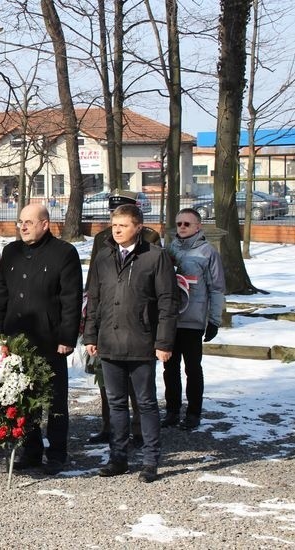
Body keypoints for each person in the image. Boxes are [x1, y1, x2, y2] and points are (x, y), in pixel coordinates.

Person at [84, 203, 178, 483]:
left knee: (146, 403)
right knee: (115, 403)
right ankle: (118, 457)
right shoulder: (103, 257)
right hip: (109, 342)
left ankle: (150, 460)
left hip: (142, 342)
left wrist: (163, 342)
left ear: (138, 227)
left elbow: (167, 302)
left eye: (123, 226)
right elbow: (94, 298)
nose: (117, 230)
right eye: (114, 226)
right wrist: (91, 335)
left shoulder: (155, 257)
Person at [0, 204, 83, 475]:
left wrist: (67, 337)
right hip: (16, 339)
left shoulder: (64, 252)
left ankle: (56, 452)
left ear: (45, 224)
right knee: (22, 398)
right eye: (20, 222)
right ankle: (31, 450)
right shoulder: (11, 251)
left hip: (50, 339)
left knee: (54, 400)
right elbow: (2, 294)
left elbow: (71, 299)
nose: (23, 227)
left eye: (29, 222)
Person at [85, 190, 162, 447]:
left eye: (122, 214)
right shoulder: (102, 240)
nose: (116, 223)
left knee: (139, 389)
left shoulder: (150, 239)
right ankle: (110, 427)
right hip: (108, 321)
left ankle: (139, 430)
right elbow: (96, 279)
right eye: (113, 215)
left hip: (136, 323)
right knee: (107, 383)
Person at [162, 208, 225, 430]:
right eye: (179, 224)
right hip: (170, 320)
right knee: (170, 369)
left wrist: (214, 320)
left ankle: (193, 413)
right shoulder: (168, 249)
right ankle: (171, 411)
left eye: (187, 224)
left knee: (192, 368)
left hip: (193, 320)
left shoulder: (208, 252)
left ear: (198, 227)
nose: (181, 227)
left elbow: (217, 289)